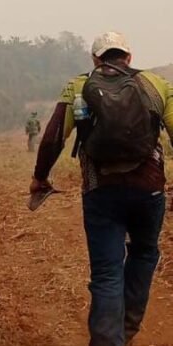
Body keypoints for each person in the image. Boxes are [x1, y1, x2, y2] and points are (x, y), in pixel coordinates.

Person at [30, 31, 173, 346]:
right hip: (149, 190)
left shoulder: (80, 85)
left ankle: (109, 340)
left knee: (107, 271)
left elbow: (54, 137)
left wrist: (40, 177)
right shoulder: (157, 84)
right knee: (145, 252)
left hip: (101, 191)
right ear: (129, 57)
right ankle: (129, 327)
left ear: (95, 59)